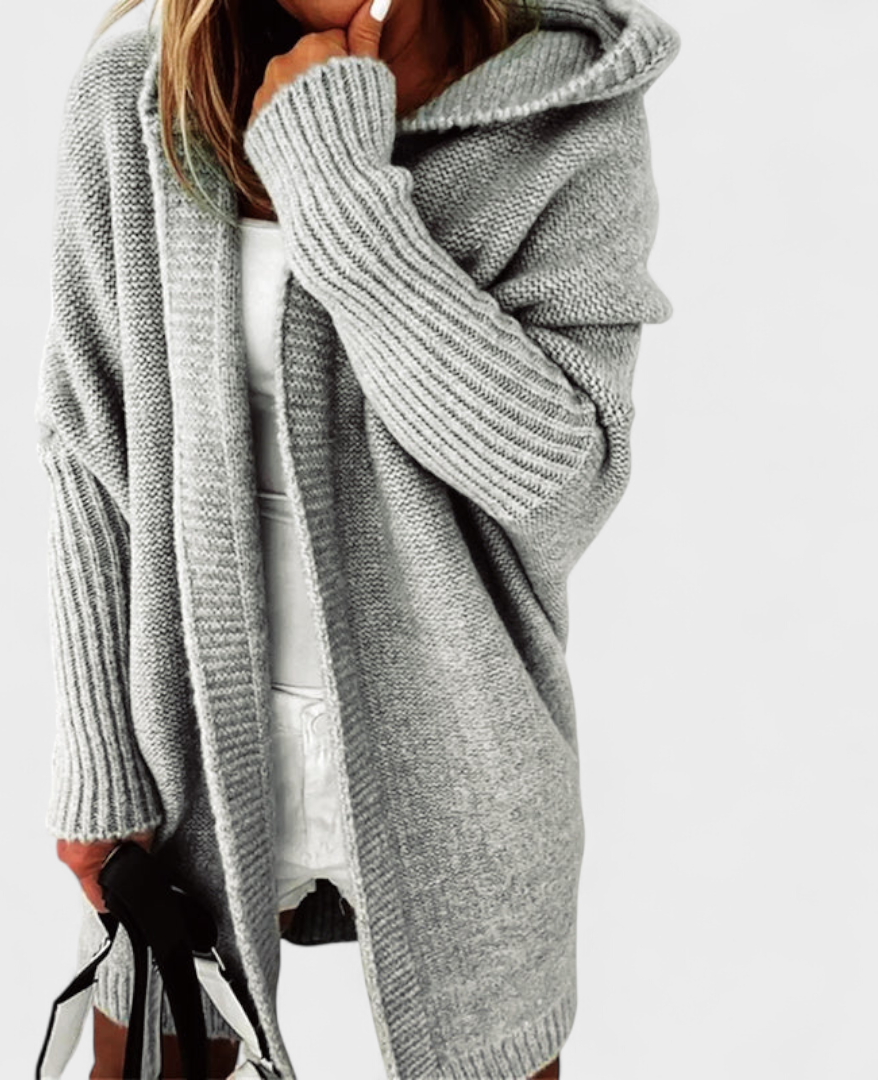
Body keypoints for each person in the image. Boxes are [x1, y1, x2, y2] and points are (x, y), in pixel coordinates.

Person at [35, 0, 680, 1076]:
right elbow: (88, 447)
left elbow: (561, 485)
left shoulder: (564, 109)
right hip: (192, 760)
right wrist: (101, 761)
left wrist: (338, 193)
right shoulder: (138, 94)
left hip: (468, 769)